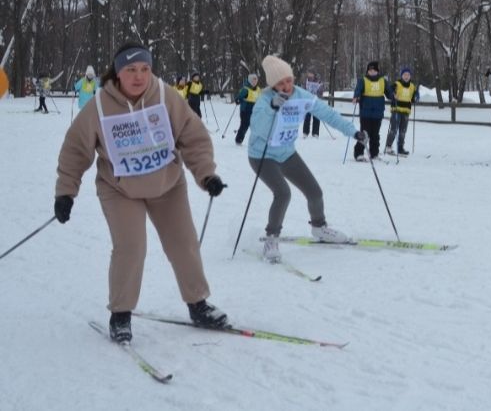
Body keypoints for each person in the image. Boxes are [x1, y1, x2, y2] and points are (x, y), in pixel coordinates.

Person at [53, 43, 229, 342]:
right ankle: (120, 313)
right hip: (120, 189)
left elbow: (193, 136)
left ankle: (198, 304)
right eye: (131, 70)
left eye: (145, 69)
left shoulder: (165, 96)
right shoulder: (98, 106)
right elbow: (75, 150)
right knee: (131, 248)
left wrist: (206, 174)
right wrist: (65, 193)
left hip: (167, 185)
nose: (139, 76)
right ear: (118, 72)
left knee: (183, 244)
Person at [250, 55, 366, 262]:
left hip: (286, 153)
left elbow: (328, 114)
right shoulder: (265, 99)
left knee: (314, 192)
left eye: (288, 80)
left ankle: (319, 228)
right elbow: (257, 129)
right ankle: (271, 238)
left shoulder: (302, 96)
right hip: (262, 156)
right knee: (283, 193)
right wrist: (272, 109)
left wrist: (353, 132)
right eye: (280, 83)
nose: (286, 86)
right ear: (272, 85)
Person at [352, 61, 388, 161]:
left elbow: (389, 92)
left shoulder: (383, 81)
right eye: (370, 70)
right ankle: (358, 153)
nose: (372, 72)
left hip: (378, 112)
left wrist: (394, 96)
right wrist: (356, 96)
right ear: (367, 71)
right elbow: (358, 90)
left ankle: (374, 154)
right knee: (365, 134)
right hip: (365, 112)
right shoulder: (363, 80)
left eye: (374, 70)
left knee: (375, 135)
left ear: (377, 71)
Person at [385, 66, 418, 156]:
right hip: (396, 109)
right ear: (401, 75)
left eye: (408, 75)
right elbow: (389, 90)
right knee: (394, 129)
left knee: (403, 130)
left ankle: (400, 148)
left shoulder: (412, 86)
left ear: (410, 76)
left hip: (406, 110)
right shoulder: (397, 83)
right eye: (404, 75)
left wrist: (416, 98)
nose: (406, 76)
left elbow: (416, 95)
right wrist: (393, 94)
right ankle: (388, 146)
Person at [234, 72, 260, 145]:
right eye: (253, 80)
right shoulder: (245, 89)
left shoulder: (258, 89)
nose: (254, 82)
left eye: (256, 80)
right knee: (245, 125)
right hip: (245, 110)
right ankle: (238, 139)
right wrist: (238, 100)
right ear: (249, 81)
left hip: (255, 110)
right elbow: (239, 97)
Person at [302, 71, 323, 138]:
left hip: (316, 101)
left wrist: (317, 94)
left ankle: (315, 133)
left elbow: (321, 91)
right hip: (308, 102)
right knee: (307, 117)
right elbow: (303, 90)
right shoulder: (306, 81)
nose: (309, 75)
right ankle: (305, 132)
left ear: (314, 74)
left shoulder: (318, 81)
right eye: (308, 74)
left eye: (311, 74)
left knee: (316, 117)